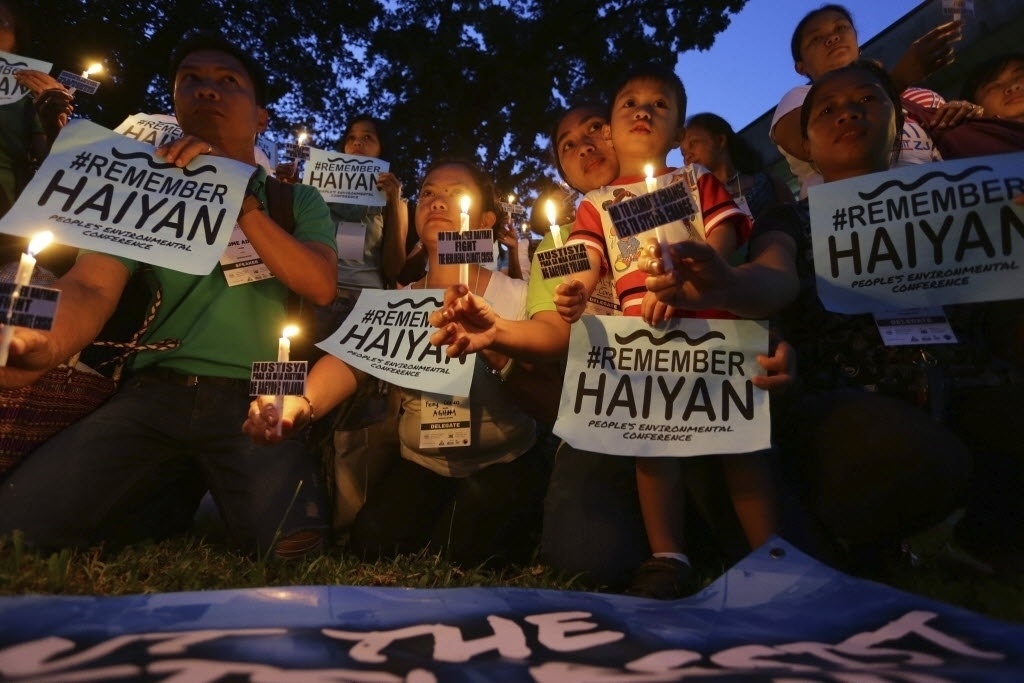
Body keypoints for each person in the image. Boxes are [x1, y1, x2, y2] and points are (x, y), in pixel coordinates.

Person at [0, 32, 338, 558]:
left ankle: (185, 485)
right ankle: (172, 488)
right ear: (176, 107)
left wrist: (235, 196)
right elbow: (90, 285)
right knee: (17, 525)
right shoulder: (144, 186)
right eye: (190, 82)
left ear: (261, 117)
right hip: (151, 393)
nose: (207, 90)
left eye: (228, 82)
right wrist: (36, 339)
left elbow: (317, 282)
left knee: (292, 547)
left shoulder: (294, 200)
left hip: (262, 390)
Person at [644, 60, 974, 568]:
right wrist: (730, 284)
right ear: (806, 144)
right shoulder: (789, 219)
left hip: (964, 386)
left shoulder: (961, 203)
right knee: (907, 454)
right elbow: (773, 276)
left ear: (898, 121)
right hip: (842, 406)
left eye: (866, 100)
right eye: (827, 109)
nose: (848, 114)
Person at [244, 158, 550, 568]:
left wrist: (493, 346)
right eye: (427, 193)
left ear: (485, 219)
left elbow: (547, 396)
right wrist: (302, 405)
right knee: (373, 545)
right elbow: (348, 362)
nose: (437, 201)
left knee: (467, 555)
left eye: (454, 193)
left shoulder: (518, 295)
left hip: (501, 461)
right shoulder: (395, 300)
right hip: (421, 462)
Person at [770, 4, 978, 198]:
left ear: (857, 39)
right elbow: (806, 141)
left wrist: (966, 117)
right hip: (848, 218)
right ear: (801, 67)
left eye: (841, 28)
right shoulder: (799, 99)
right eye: (816, 39)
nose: (832, 38)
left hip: (937, 203)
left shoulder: (920, 98)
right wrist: (898, 80)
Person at [0, 0, 75, 273]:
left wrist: (54, 121)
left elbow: (52, 165)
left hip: (5, 220)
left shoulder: (26, 96)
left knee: (27, 300)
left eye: (0, 24)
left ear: (16, 42)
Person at [681, 112, 793, 224]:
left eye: (693, 143)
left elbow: (797, 224)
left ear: (720, 141)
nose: (687, 156)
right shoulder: (695, 204)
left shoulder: (770, 184)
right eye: (683, 153)